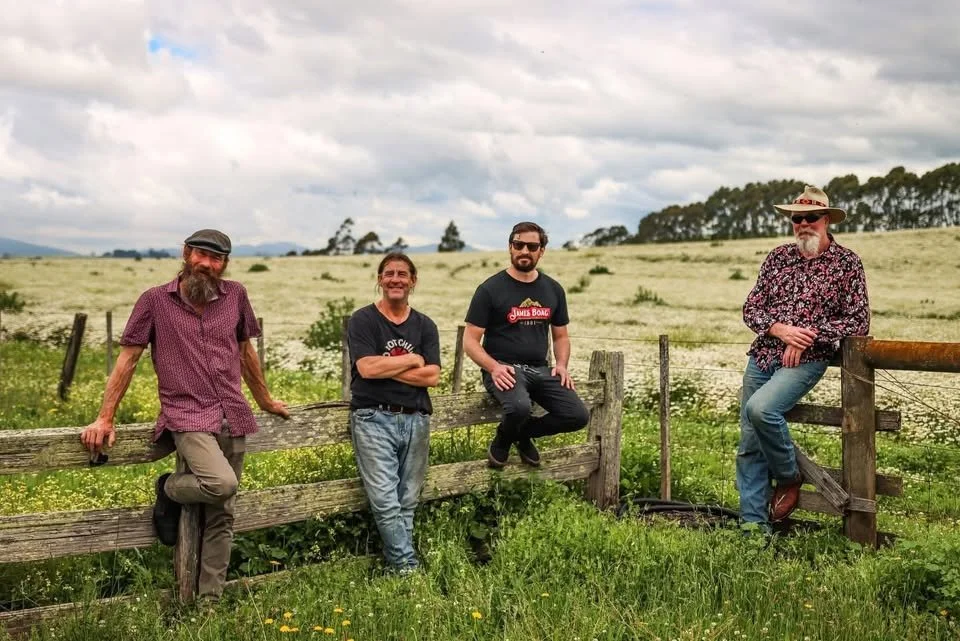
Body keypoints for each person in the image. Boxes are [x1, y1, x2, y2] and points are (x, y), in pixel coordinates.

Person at [80, 229, 289, 602]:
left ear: (224, 263)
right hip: (187, 414)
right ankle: (169, 488)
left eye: (216, 258)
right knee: (222, 484)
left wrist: (265, 399)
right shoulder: (154, 301)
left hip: (231, 411)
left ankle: (209, 601)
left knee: (222, 515)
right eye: (200, 255)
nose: (206, 264)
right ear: (186, 254)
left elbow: (245, 352)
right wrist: (105, 417)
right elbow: (128, 359)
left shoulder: (236, 295)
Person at [739, 186, 870, 531]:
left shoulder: (847, 263)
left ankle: (788, 476)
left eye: (811, 217)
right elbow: (751, 308)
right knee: (749, 443)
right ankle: (752, 529)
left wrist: (807, 334)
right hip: (763, 354)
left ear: (827, 220)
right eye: (797, 219)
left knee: (761, 410)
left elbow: (858, 320)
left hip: (807, 359)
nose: (803, 224)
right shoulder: (777, 258)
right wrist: (780, 330)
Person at [464, 221, 590, 469]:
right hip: (504, 368)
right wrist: (493, 367)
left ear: (541, 251)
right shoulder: (489, 289)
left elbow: (561, 336)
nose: (524, 251)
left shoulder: (553, 289)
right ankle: (503, 441)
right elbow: (469, 341)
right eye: (518, 245)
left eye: (532, 247)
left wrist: (561, 365)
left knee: (577, 416)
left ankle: (518, 434)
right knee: (519, 408)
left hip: (540, 369)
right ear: (510, 247)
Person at [347, 252, 441, 573]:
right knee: (385, 500)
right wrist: (412, 360)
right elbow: (366, 368)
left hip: (416, 418)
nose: (395, 279)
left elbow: (432, 376)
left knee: (408, 500)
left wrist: (385, 367)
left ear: (413, 281)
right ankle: (407, 568)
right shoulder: (363, 320)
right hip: (373, 417)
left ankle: (398, 567)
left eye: (402, 274)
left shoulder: (425, 325)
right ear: (379, 280)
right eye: (389, 273)